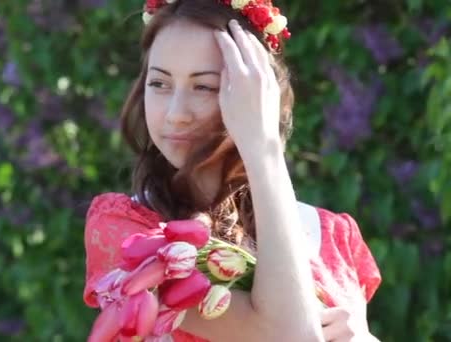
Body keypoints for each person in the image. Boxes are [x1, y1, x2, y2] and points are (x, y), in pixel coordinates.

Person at [82, 0, 382, 341]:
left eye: (204, 87)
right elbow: (291, 336)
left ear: (262, 95)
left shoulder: (333, 235)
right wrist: (263, 149)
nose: (176, 113)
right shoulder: (130, 232)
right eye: (160, 84)